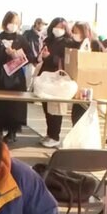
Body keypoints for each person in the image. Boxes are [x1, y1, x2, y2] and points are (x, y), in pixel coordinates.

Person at [0, 12, 36, 143]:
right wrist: (4, 53)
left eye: (15, 23)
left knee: (14, 106)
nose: (12, 25)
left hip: (15, 78)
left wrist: (16, 55)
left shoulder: (21, 39)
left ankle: (12, 132)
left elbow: (30, 56)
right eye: (11, 22)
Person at [38, 17, 72, 148]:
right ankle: (49, 133)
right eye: (56, 26)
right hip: (45, 77)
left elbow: (65, 60)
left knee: (56, 108)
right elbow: (41, 57)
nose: (58, 30)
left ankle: (55, 135)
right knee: (46, 107)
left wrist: (50, 57)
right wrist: (42, 56)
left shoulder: (67, 42)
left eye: (62, 27)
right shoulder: (48, 40)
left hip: (58, 79)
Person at [69, 21, 106, 126]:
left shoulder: (94, 44)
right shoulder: (74, 44)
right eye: (73, 31)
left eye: (76, 31)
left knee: (84, 115)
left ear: (83, 31)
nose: (74, 34)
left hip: (91, 84)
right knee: (76, 115)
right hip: (77, 85)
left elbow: (102, 63)